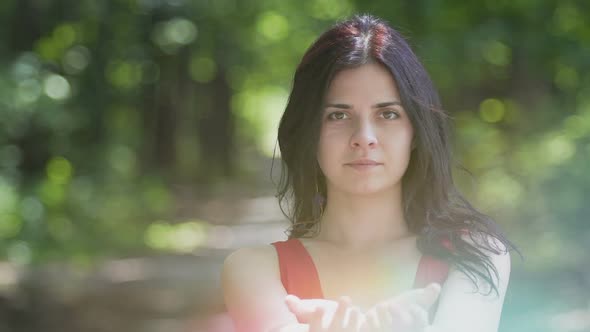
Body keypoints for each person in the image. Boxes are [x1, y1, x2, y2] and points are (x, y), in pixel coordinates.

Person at [221, 13, 520, 332]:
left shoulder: (477, 254)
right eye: (338, 115)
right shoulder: (253, 269)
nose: (364, 137)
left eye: (388, 114)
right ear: (308, 132)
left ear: (416, 132)